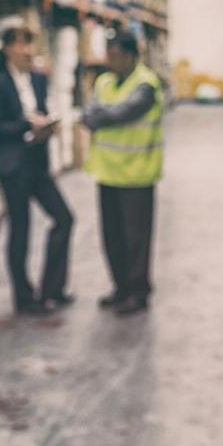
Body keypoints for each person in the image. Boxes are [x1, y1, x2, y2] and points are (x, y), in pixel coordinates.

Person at [0, 26, 75, 315]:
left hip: (37, 162)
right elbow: (0, 127)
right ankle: (24, 298)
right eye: (20, 44)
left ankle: (52, 289)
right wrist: (28, 124)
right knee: (20, 230)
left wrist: (47, 125)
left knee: (64, 218)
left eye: (28, 44)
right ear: (7, 49)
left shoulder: (38, 79)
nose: (26, 50)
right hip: (13, 166)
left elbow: (41, 109)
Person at [83, 29, 164, 315]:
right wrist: (98, 116)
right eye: (109, 56)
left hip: (137, 176)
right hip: (107, 173)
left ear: (132, 57)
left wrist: (100, 116)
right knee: (112, 236)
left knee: (136, 239)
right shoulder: (103, 81)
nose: (111, 62)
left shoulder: (146, 85)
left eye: (116, 57)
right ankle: (120, 288)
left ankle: (138, 292)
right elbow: (88, 114)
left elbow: (123, 113)